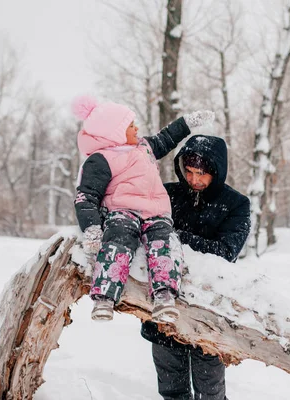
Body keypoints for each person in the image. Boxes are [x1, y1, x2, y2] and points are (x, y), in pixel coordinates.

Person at [72, 95, 214, 322]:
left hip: (156, 212)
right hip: (122, 210)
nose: (136, 128)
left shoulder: (144, 147)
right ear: (113, 132)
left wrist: (187, 123)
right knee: (118, 238)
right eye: (130, 125)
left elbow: (167, 138)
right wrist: (92, 228)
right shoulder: (101, 159)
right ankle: (105, 297)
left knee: (165, 242)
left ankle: (164, 294)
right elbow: (86, 196)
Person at [141, 134, 251, 400]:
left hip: (208, 307)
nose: (193, 180)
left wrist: (172, 238)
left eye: (201, 174)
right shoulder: (166, 193)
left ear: (216, 171)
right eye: (188, 172)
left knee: (210, 391)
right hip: (164, 307)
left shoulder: (236, 204)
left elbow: (225, 252)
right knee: (172, 390)